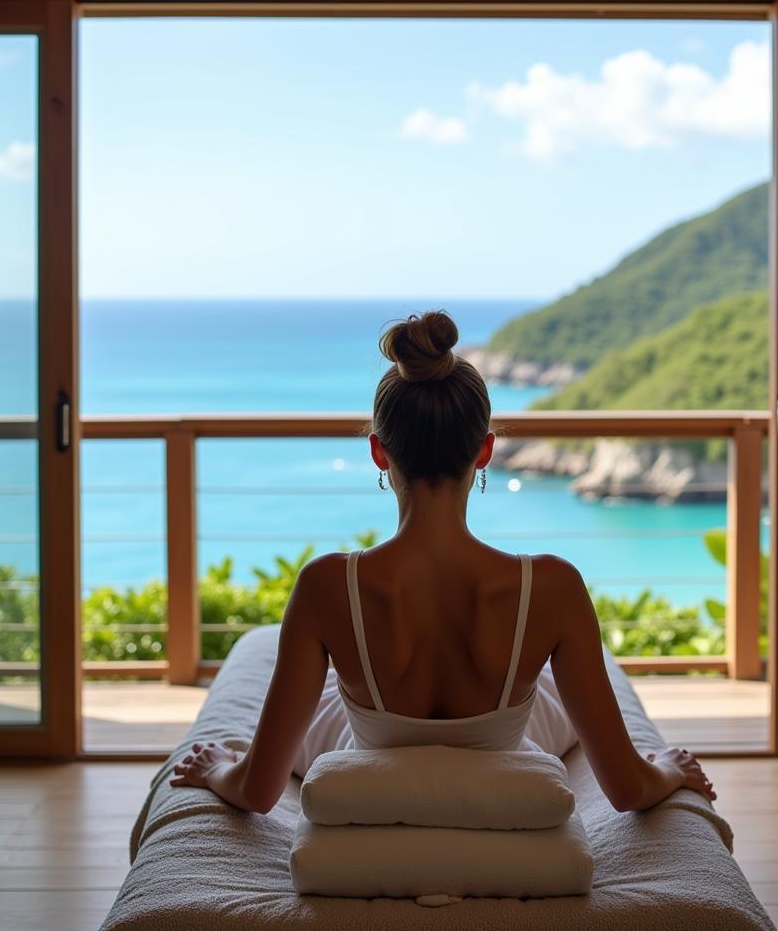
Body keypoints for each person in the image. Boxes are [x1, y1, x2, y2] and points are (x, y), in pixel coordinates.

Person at [170, 310, 715, 814]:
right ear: (484, 451)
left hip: (357, 746)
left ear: (379, 451)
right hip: (511, 740)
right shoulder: (552, 586)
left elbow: (257, 791)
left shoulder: (326, 586)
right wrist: (666, 767)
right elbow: (629, 788)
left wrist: (219, 767)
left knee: (318, 707)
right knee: (554, 701)